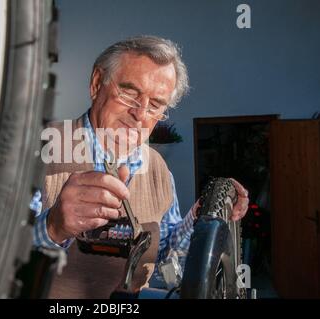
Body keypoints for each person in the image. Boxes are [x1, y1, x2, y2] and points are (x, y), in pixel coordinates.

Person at [30, 35, 249, 298]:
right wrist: (53, 227)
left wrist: (201, 214)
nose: (140, 114)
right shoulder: (38, 148)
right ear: (97, 83)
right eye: (129, 93)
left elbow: (166, 255)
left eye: (155, 105)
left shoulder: (158, 169)